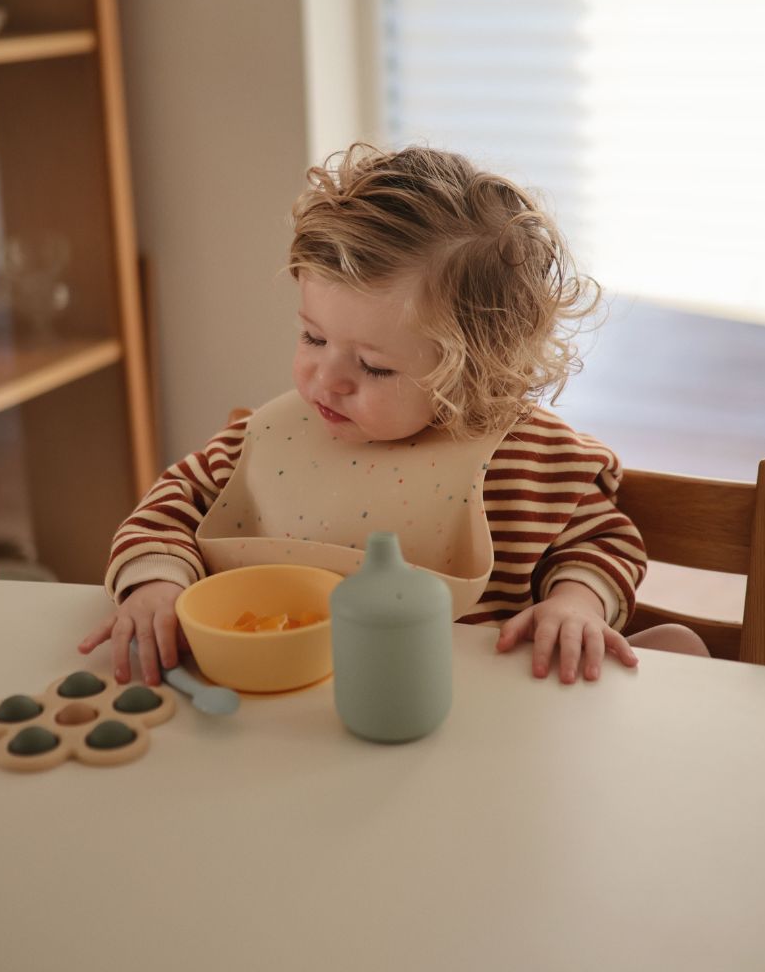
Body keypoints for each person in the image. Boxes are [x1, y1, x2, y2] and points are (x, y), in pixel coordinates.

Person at [80, 144, 708, 686]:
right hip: (300, 711)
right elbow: (171, 504)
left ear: (476, 373)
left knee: (674, 655)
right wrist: (156, 584)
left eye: (374, 367)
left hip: (477, 719)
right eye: (313, 337)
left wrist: (576, 604)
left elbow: (603, 541)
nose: (325, 379)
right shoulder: (267, 441)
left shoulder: (534, 464)